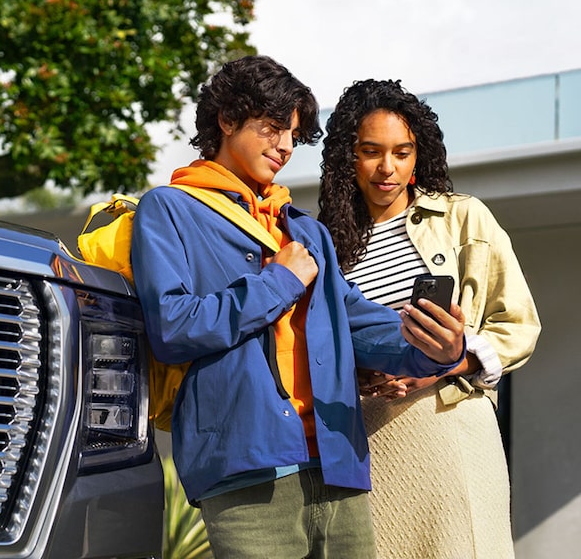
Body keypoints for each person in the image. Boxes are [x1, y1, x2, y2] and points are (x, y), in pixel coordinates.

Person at [130, 56, 465, 559]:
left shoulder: (306, 231)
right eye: (271, 129)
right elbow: (175, 327)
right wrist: (280, 281)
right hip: (245, 470)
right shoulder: (168, 209)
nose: (285, 147)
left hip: (338, 460)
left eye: (291, 134)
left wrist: (431, 346)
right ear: (226, 120)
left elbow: (353, 320)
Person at [317, 78, 541, 559]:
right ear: (346, 158)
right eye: (371, 151)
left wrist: (443, 365)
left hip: (450, 425)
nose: (387, 168)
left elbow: (518, 325)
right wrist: (363, 374)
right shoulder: (328, 248)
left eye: (402, 152)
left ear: (418, 156)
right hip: (370, 442)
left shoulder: (464, 219)